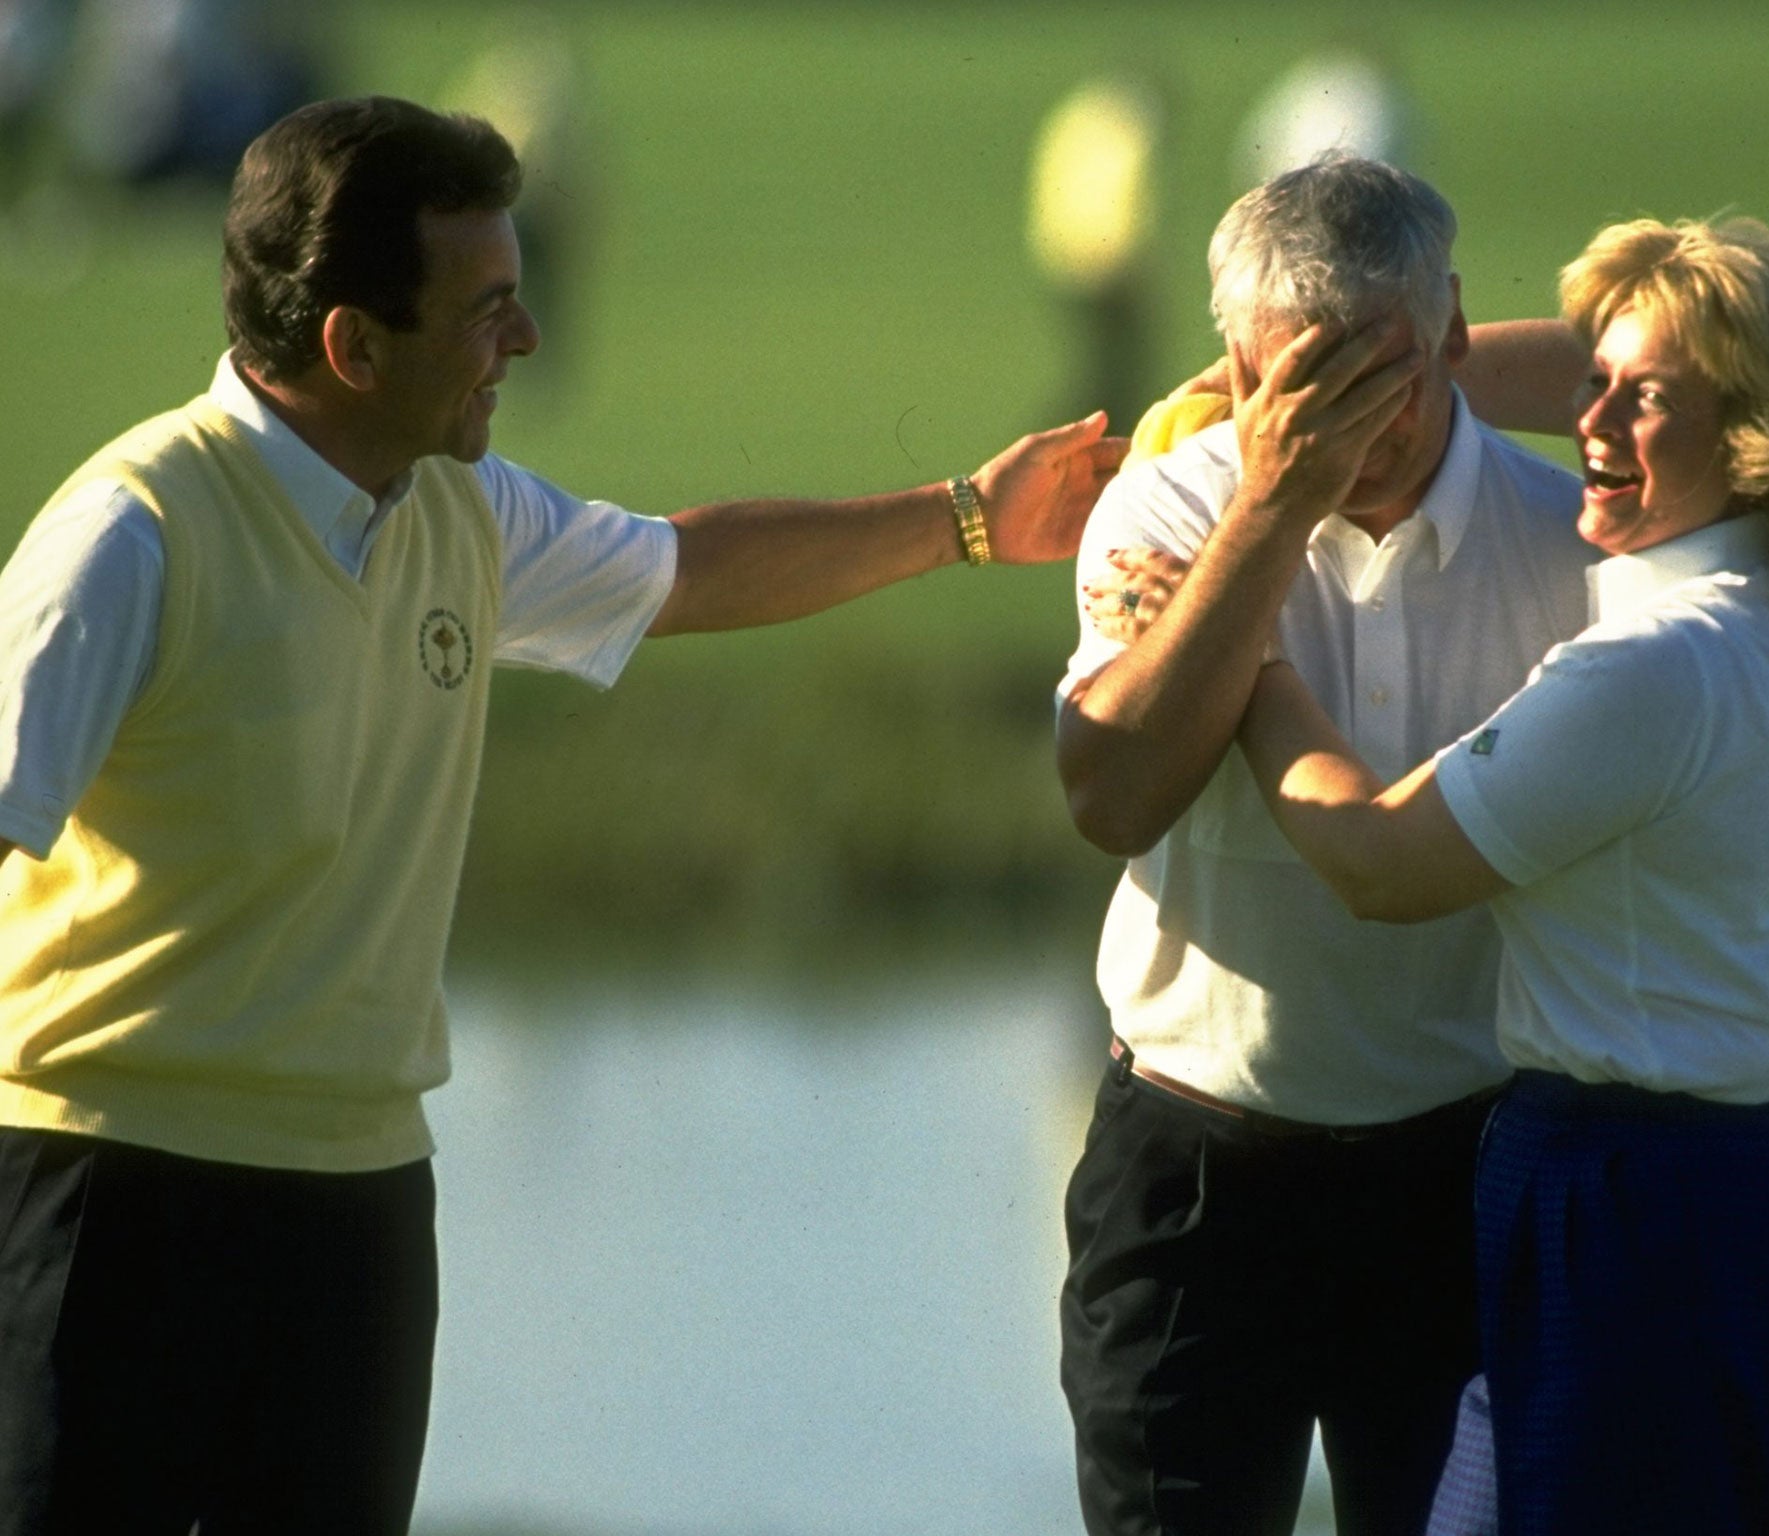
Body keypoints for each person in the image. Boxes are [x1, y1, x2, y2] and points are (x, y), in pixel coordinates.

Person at [0, 95, 1120, 1534]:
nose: (525, 342)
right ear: (352, 346)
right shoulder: (133, 533)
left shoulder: (453, 512)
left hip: (354, 1200)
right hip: (109, 1186)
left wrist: (971, 515)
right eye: (488, 311)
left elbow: (684, 572)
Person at [1221, 214, 1769, 1534]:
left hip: (1633, 1222)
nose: (1594, 422)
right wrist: (1354, 383)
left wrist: (1253, 658)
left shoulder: (1649, 671)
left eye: (1646, 398)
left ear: (1756, 437)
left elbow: (1380, 862)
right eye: (1594, 382)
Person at [1052, 155, 1604, 1536]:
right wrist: (1271, 510)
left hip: (1457, 1175)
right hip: (1192, 1172)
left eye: (1395, 371)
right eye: (1316, 381)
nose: (1369, 419)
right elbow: (1115, 794)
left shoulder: (1572, 548)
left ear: (1460, 328)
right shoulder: (1169, 513)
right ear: (1240, 371)